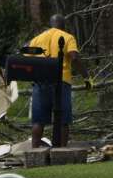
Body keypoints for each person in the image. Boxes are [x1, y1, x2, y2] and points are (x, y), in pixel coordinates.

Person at [28, 14, 90, 148]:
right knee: (63, 120)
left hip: (40, 82)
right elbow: (74, 58)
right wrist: (87, 77)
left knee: (38, 121)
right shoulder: (67, 37)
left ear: (50, 24)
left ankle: (34, 151)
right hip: (61, 82)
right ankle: (61, 151)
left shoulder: (37, 39)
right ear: (64, 25)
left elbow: (28, 61)